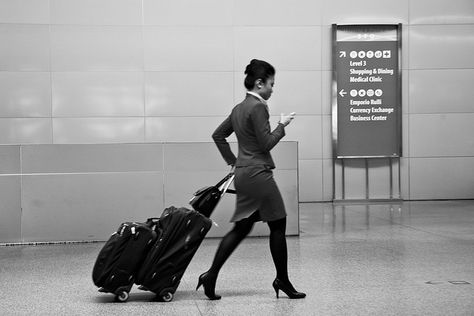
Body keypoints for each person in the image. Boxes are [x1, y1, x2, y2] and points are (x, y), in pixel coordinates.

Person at [196, 59, 306, 300]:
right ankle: (283, 280)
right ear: (259, 83)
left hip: (244, 174)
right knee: (278, 224)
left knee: (243, 226)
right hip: (259, 175)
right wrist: (282, 125)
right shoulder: (258, 107)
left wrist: (233, 162)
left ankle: (210, 276)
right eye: (271, 84)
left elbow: (218, 135)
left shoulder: (238, 108)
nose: (272, 89)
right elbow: (266, 143)